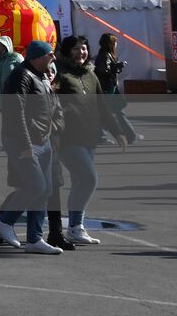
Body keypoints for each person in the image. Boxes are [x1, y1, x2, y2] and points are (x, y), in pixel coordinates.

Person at [0, 40, 65, 254]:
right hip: (23, 141)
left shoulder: (42, 76)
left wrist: (54, 126)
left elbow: (54, 105)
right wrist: (25, 143)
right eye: (49, 55)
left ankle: (34, 239)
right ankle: (4, 220)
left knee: (46, 190)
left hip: (44, 139)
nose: (53, 59)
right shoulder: (21, 76)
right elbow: (16, 112)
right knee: (36, 186)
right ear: (37, 57)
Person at [54, 34, 124, 246]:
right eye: (76, 48)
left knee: (79, 181)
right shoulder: (60, 74)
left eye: (83, 48)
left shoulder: (91, 75)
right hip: (66, 139)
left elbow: (102, 105)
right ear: (67, 51)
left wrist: (117, 131)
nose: (81, 52)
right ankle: (75, 227)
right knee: (88, 178)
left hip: (88, 137)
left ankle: (76, 226)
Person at [93, 33, 138, 143]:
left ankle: (130, 135)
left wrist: (117, 67)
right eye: (114, 42)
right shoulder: (105, 55)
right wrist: (116, 67)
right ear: (109, 43)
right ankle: (129, 135)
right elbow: (104, 70)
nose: (116, 44)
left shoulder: (107, 54)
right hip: (107, 89)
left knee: (115, 113)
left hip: (110, 88)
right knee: (111, 113)